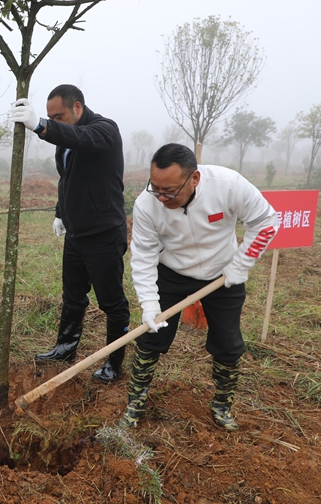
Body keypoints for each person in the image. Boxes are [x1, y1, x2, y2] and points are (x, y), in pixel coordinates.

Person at [121, 143, 278, 430]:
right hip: (171, 272)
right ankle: (135, 403)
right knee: (150, 338)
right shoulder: (147, 204)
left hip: (222, 274)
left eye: (170, 190)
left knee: (228, 345)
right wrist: (149, 304)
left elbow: (266, 221)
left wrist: (240, 264)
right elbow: (143, 256)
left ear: (194, 178)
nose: (161, 197)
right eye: (156, 188)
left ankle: (222, 405)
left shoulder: (228, 185)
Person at [10, 84, 131, 383]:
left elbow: (81, 138)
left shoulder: (104, 130)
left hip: (103, 234)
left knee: (112, 302)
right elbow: (68, 179)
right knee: (73, 296)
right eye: (51, 117)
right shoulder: (65, 139)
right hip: (76, 234)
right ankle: (65, 349)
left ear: (77, 107)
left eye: (59, 116)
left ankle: (114, 362)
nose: (56, 122)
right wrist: (60, 212)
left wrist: (41, 125)